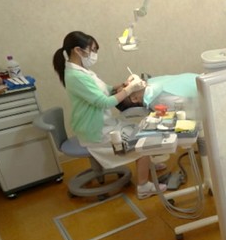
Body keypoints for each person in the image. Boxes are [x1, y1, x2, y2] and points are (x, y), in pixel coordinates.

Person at [51, 31, 167, 199]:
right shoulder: (75, 76)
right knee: (141, 143)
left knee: (141, 129)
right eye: (92, 50)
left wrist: (123, 85)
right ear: (78, 50)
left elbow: (105, 89)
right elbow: (104, 102)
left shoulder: (83, 71)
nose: (94, 54)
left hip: (103, 124)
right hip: (95, 132)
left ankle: (146, 164)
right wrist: (130, 90)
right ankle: (143, 187)